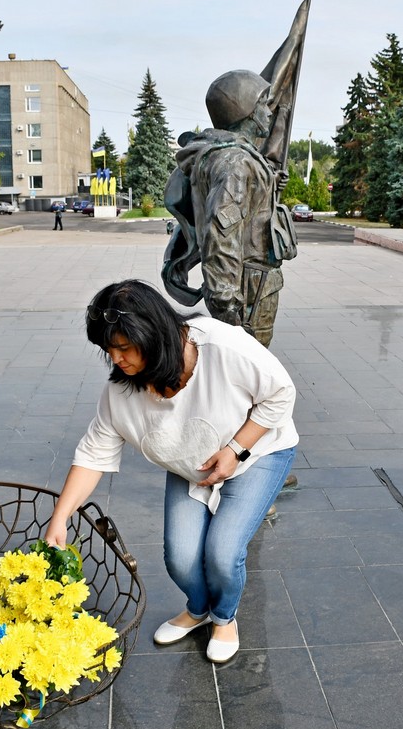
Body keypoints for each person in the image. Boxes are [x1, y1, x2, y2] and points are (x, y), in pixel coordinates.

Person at [43, 279, 298, 661]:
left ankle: (224, 617)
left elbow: (281, 393)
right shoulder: (122, 393)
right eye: (108, 350)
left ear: (155, 335)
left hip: (258, 452)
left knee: (223, 553)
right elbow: (93, 454)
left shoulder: (223, 347)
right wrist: (60, 518)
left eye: (124, 348)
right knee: (179, 558)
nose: (116, 360)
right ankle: (198, 610)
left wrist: (235, 449)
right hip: (192, 463)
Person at [162, 70, 295, 347]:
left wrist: (268, 185)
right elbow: (221, 235)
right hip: (248, 290)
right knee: (250, 373)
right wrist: (228, 309)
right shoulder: (235, 162)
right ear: (244, 111)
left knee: (245, 373)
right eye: (261, 105)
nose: (268, 113)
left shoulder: (227, 156)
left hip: (250, 284)